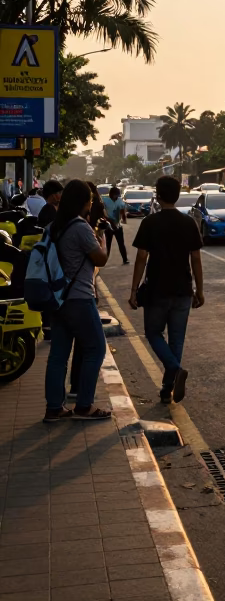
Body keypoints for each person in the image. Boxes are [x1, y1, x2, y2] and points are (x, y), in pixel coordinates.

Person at [129, 175, 204, 405]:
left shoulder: (150, 222)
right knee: (177, 340)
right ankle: (167, 387)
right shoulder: (188, 222)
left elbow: (142, 257)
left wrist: (133, 290)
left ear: (158, 196)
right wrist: (199, 290)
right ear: (178, 195)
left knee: (153, 333)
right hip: (182, 289)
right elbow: (195, 258)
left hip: (157, 290)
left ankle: (173, 370)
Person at [42, 178, 111, 423]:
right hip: (79, 298)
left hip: (57, 298)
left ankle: (54, 408)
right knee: (96, 348)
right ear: (84, 202)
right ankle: (84, 405)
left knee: (58, 355)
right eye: (91, 201)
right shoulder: (80, 227)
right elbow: (100, 259)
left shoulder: (53, 226)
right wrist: (101, 238)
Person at [102, 185, 129, 264]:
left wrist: (123, 219)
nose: (116, 196)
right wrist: (109, 222)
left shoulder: (120, 201)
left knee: (121, 243)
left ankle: (125, 259)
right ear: (110, 194)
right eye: (115, 195)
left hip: (118, 225)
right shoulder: (105, 200)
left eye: (117, 195)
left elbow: (122, 211)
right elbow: (103, 213)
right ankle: (104, 260)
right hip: (108, 225)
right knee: (108, 244)